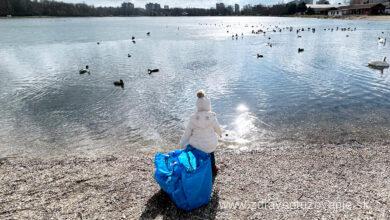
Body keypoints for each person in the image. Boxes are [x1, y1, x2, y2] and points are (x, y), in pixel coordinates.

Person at [180, 90, 222, 176]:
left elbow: (187, 133)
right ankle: (213, 168)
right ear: (208, 105)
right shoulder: (212, 117)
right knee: (211, 153)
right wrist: (220, 134)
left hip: (197, 146)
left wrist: (182, 143)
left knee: (194, 149)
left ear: (197, 106)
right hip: (211, 144)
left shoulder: (193, 118)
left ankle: (199, 168)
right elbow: (218, 128)